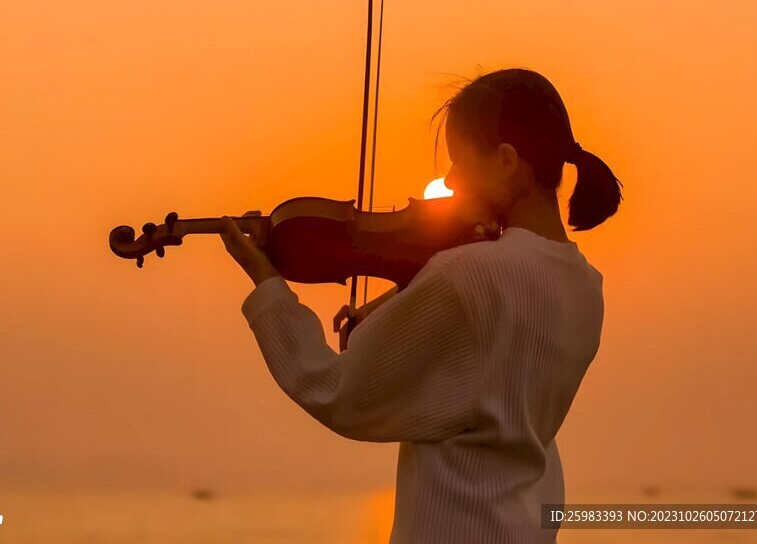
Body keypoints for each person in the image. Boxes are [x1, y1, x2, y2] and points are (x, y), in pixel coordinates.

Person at [219, 67, 623, 543]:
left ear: (507, 161)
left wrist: (269, 287)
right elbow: (483, 371)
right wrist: (392, 308)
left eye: (459, 162)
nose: (450, 180)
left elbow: (338, 391)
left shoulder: (469, 274)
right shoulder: (585, 289)